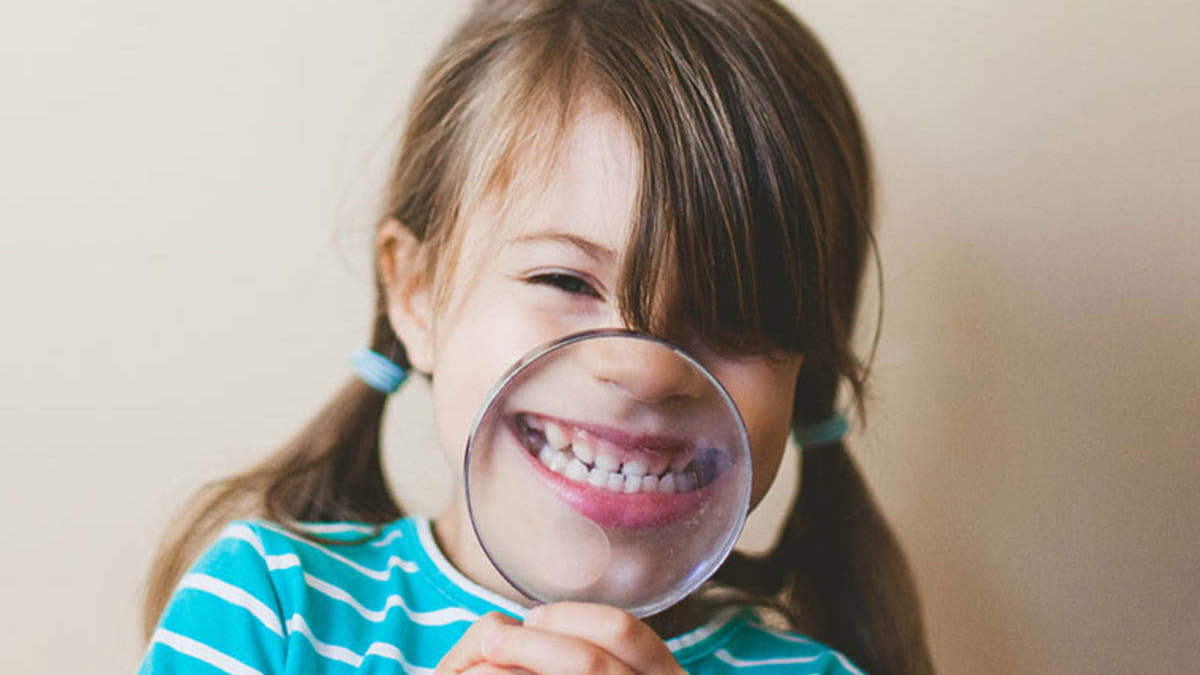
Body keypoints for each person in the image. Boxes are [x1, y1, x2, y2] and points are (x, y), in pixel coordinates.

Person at [139, 1, 936, 673]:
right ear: (414, 296)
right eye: (565, 281)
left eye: (734, 312)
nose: (645, 368)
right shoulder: (268, 610)